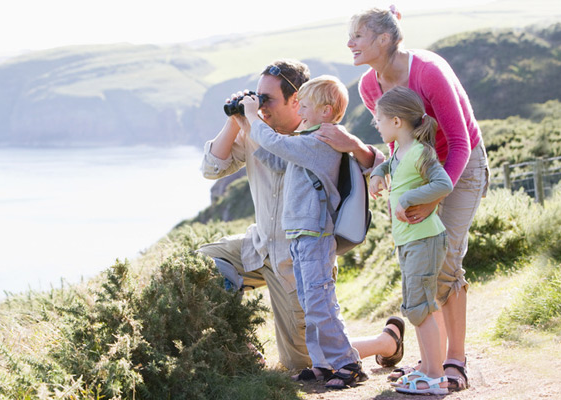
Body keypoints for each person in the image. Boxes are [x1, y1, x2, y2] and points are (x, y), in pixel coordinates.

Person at [319, 5, 490, 391]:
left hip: (460, 165)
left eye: (357, 35)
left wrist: (433, 196)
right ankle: (430, 360)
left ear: (383, 38)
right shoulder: (369, 86)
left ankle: (453, 363)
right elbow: (398, 146)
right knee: (421, 262)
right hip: (416, 172)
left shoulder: (429, 71)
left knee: (446, 261)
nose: (350, 43)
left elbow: (460, 142)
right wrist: (383, 174)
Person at [197, 59, 403, 375]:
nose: (261, 106)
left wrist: (355, 145)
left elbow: (379, 163)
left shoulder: (324, 135)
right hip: (259, 246)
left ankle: (385, 343)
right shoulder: (258, 131)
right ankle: (238, 347)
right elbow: (211, 169)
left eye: (268, 99)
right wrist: (237, 119)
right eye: (257, 96)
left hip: (298, 263)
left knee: (302, 361)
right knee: (201, 266)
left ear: (297, 100)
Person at [237, 75, 365, 388]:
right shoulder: (307, 140)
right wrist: (244, 124)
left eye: (305, 105)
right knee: (310, 304)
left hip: (315, 234)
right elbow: (275, 158)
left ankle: (348, 364)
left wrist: (254, 117)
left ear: (326, 111)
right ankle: (321, 363)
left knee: (320, 304)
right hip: (300, 233)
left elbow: (278, 144)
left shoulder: (320, 141)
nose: (300, 110)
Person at [369, 87, 453, 395]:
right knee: (418, 308)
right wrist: (378, 174)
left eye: (378, 119)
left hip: (425, 238)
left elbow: (443, 183)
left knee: (420, 309)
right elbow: (390, 165)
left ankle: (434, 376)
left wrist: (407, 198)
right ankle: (429, 368)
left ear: (395, 121)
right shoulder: (399, 152)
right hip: (410, 241)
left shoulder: (420, 153)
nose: (375, 124)